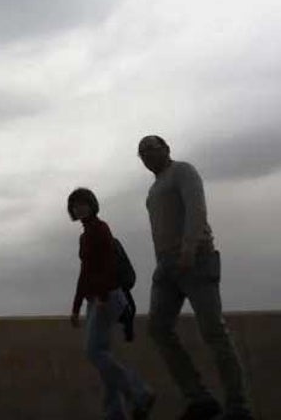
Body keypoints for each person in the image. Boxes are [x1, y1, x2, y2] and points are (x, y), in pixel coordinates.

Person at [137, 135, 253, 420]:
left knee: (214, 332)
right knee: (159, 328)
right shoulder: (153, 189)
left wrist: (189, 248)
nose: (147, 154)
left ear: (167, 149)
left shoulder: (183, 171)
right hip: (166, 267)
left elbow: (196, 209)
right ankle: (199, 398)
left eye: (152, 148)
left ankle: (238, 407)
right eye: (142, 152)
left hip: (195, 259)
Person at [68, 187, 157, 420]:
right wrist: (77, 307)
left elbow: (109, 264)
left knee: (94, 351)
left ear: (92, 204)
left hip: (107, 297)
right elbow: (85, 273)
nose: (79, 207)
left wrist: (104, 297)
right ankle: (115, 413)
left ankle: (140, 393)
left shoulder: (100, 228)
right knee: (103, 354)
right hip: (96, 299)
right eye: (75, 204)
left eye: (83, 203)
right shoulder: (85, 235)